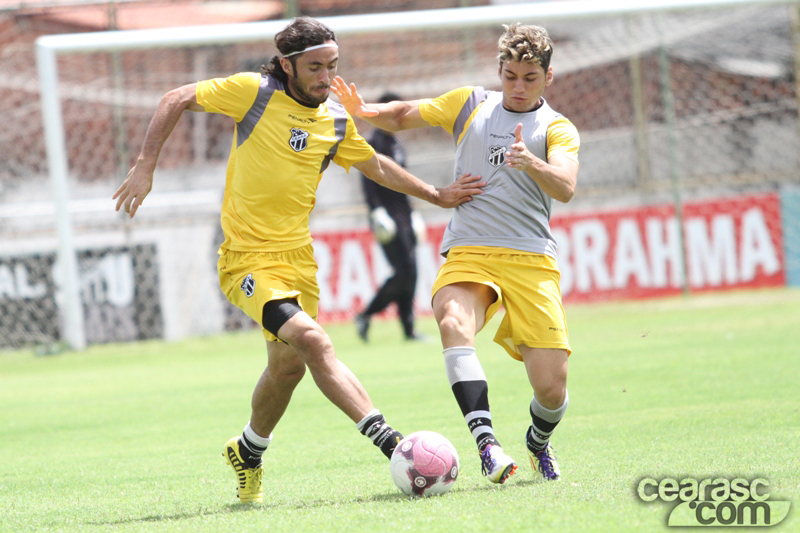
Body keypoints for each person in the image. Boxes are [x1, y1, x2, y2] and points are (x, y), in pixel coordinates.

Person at [113, 16, 484, 504]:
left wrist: (435, 194)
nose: (326, 76)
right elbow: (175, 98)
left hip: (298, 260)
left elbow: (373, 163)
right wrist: (145, 166)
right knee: (313, 340)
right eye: (314, 66)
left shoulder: (333, 117)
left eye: (332, 65)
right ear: (287, 64)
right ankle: (394, 446)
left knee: (288, 368)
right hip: (245, 259)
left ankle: (248, 450)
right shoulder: (255, 93)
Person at [332, 22, 579, 484]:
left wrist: (532, 162)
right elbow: (406, 113)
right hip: (471, 250)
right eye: (509, 76)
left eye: (529, 77)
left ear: (548, 76)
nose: (518, 87)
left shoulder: (557, 128)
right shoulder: (470, 104)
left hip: (530, 258)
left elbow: (566, 186)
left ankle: (538, 443)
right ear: (499, 72)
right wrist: (365, 109)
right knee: (451, 320)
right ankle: (488, 447)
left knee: (551, 389)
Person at [355, 92, 427, 343]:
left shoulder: (396, 144)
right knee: (403, 272)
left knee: (412, 272)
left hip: (404, 214)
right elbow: (367, 183)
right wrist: (377, 212)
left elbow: (405, 183)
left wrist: (413, 212)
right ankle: (366, 314)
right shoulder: (372, 143)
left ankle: (408, 330)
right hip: (385, 215)